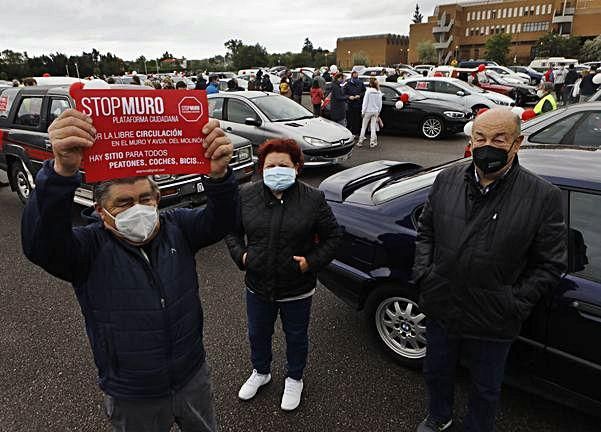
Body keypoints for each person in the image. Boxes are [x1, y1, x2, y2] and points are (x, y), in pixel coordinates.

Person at [22, 110, 237, 432]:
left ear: (157, 198)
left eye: (145, 198)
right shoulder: (88, 248)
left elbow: (221, 221)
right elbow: (42, 246)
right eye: (123, 203)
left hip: (192, 374)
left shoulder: (177, 227)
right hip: (133, 393)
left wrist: (219, 178)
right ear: (100, 210)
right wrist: (60, 174)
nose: (137, 208)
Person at [412, 108, 567, 432]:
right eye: (480, 138)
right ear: (471, 139)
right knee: (436, 371)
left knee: (486, 388)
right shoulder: (447, 179)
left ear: (517, 143)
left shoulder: (542, 196)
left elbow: (551, 263)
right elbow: (426, 231)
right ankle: (439, 416)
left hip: (493, 316)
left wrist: (513, 302)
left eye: (499, 139)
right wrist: (425, 274)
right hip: (443, 304)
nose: (488, 146)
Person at [225, 139, 342, 412]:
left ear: (297, 168)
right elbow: (231, 231)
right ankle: (261, 371)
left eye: (283, 165)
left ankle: (294, 377)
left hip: (297, 287)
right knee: (257, 333)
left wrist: (309, 263)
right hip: (257, 285)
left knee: (297, 336)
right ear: (261, 168)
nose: (276, 170)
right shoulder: (246, 195)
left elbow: (334, 237)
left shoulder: (313, 199)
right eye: (271, 166)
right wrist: (241, 256)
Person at [357, 78, 382, 148]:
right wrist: (379, 111)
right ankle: (372, 142)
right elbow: (380, 103)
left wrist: (363, 111)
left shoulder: (368, 91)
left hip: (368, 111)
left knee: (363, 127)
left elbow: (365, 102)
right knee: (373, 127)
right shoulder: (379, 92)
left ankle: (360, 142)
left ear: (370, 84)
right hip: (375, 111)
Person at [344, 71, 366, 137]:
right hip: (350, 105)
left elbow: (364, 92)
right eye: (354, 77)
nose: (356, 79)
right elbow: (343, 94)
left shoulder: (360, 83)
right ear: (351, 77)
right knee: (351, 119)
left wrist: (359, 95)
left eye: (357, 77)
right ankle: (351, 133)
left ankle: (357, 133)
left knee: (358, 119)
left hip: (358, 104)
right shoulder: (347, 84)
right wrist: (349, 97)